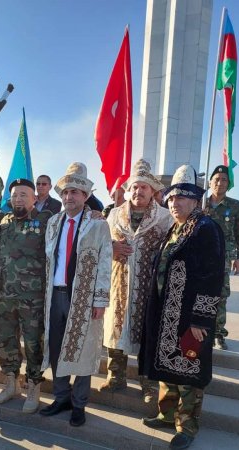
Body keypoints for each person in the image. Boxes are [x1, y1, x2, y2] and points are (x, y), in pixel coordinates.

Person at [139, 165, 225, 450]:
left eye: (183, 198)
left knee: (188, 369)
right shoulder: (176, 228)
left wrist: (201, 319)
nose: (176, 203)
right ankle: (166, 413)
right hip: (168, 313)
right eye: (173, 198)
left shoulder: (206, 229)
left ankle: (187, 425)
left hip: (190, 318)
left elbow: (212, 277)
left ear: (195, 200)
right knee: (167, 365)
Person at [39, 162, 112, 427]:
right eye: (66, 192)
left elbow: (105, 262)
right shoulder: (53, 222)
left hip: (82, 296)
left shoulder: (97, 225)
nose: (69, 197)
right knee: (58, 348)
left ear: (85, 196)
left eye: (75, 193)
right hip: (55, 295)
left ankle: (79, 403)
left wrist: (100, 300)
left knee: (82, 348)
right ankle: (61, 397)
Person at [102, 159, 172, 402]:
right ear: (128, 190)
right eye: (134, 187)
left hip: (149, 287)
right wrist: (111, 247)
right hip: (118, 283)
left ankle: (149, 384)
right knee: (116, 328)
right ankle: (115, 377)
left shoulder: (164, 218)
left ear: (152, 191)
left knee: (147, 332)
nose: (138, 191)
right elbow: (100, 244)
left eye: (144, 187)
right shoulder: (113, 215)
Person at [0, 179, 52, 413]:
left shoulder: (46, 220)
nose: (18, 199)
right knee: (7, 341)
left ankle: (34, 386)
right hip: (5, 296)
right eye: (15, 195)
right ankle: (11, 383)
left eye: (24, 195)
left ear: (34, 198)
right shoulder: (3, 223)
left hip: (33, 297)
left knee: (34, 343)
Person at [204, 165, 239, 350]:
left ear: (228, 184)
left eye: (224, 180)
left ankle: (218, 334)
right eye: (217, 179)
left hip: (223, 257)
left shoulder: (236, 206)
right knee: (197, 293)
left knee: (220, 295)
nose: (220, 182)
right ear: (210, 181)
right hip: (200, 257)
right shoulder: (200, 204)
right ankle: (198, 330)